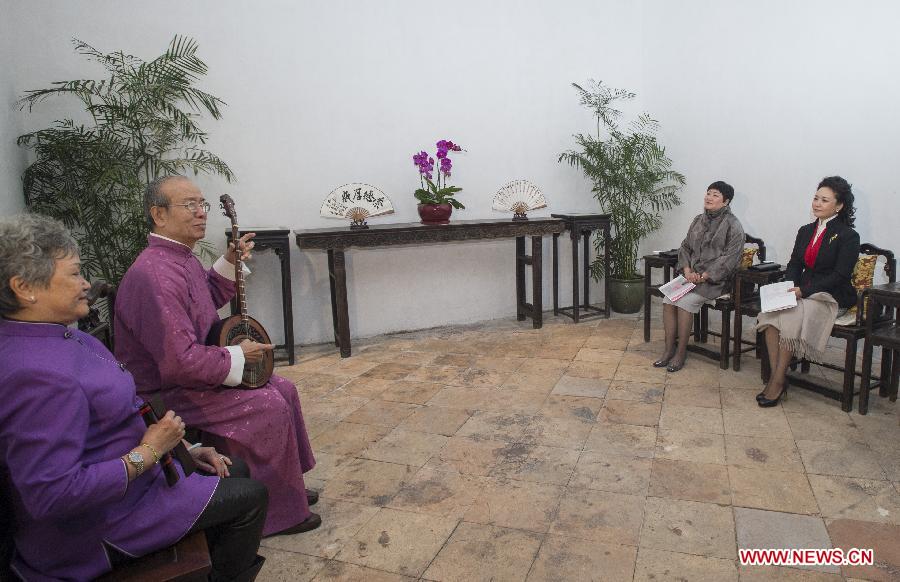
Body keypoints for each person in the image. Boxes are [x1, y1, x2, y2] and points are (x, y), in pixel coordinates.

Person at [0, 214, 268, 581]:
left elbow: (122, 411)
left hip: (134, 485)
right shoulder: (34, 375)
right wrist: (150, 453)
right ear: (24, 287)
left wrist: (183, 449)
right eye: (75, 274)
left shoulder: (61, 335)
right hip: (100, 526)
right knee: (250, 498)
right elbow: (51, 495)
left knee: (233, 468)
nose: (85, 284)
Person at [113, 175, 320, 536]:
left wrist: (227, 261)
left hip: (187, 376)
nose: (200, 213)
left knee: (283, 388)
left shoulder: (177, 257)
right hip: (167, 393)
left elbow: (203, 299)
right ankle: (276, 512)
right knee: (268, 403)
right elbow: (179, 363)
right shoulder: (156, 274)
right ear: (158, 214)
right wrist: (237, 356)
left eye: (202, 204)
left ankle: (288, 489)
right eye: (189, 205)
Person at [756, 176, 860, 407]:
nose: (817, 204)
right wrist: (789, 287)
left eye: (824, 200)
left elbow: (839, 276)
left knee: (789, 316)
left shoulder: (848, 236)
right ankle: (779, 377)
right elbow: (794, 263)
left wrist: (804, 290)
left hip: (830, 295)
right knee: (771, 317)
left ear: (839, 205)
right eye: (815, 198)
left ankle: (776, 383)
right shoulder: (805, 231)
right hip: (802, 292)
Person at [653, 181, 745, 372]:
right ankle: (668, 350)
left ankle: (680, 353)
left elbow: (730, 259)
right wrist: (686, 270)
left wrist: (704, 276)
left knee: (684, 303)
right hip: (690, 276)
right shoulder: (698, 219)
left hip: (715, 282)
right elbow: (685, 247)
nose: (709, 198)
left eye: (715, 195)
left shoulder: (734, 225)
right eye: (708, 193)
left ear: (726, 201)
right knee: (669, 299)